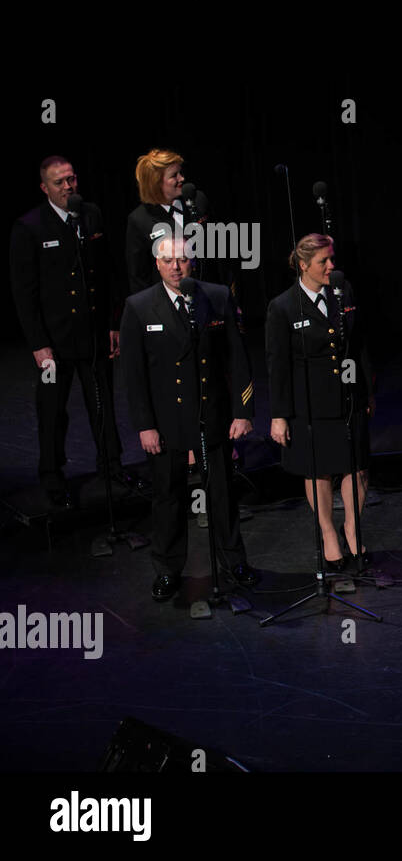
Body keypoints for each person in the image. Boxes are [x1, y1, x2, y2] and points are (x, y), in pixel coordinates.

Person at [118, 237, 259, 602]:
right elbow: (134, 376)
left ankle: (234, 561)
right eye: (168, 260)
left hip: (211, 416)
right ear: (157, 264)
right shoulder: (139, 306)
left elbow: (236, 359)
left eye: (182, 259)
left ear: (192, 261)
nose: (176, 266)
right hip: (165, 425)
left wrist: (243, 412)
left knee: (223, 496)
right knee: (168, 499)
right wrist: (144, 425)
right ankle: (167, 570)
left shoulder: (215, 296)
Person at [10, 155, 132, 509]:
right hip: (53, 343)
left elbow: (107, 273)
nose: (68, 187)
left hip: (93, 335)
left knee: (103, 403)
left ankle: (111, 466)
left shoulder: (90, 214)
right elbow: (24, 293)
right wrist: (38, 345)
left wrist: (112, 323)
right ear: (44, 187)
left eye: (72, 179)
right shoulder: (29, 227)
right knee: (52, 409)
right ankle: (52, 475)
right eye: (60, 182)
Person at [267, 234, 375, 568]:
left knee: (356, 468)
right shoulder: (283, 306)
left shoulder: (343, 290)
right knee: (319, 473)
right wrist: (280, 415)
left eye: (332, 259)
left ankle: (353, 528)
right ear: (303, 265)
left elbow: (358, 344)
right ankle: (329, 533)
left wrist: (367, 389)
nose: (331, 267)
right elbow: (278, 366)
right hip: (310, 404)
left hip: (348, 395)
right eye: (323, 262)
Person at [124, 149, 211, 295]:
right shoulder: (140, 220)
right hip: (169, 304)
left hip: (207, 294)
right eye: (174, 176)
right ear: (156, 183)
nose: (182, 179)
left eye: (181, 173)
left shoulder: (198, 200)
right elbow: (138, 276)